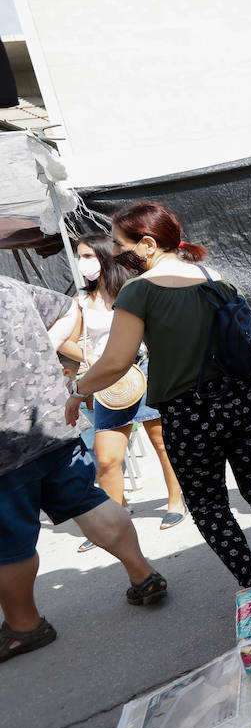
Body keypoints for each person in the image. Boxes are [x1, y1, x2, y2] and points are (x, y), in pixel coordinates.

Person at [68, 201, 251, 588]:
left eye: (119, 244)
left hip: (190, 414)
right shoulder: (215, 277)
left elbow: (116, 362)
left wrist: (77, 390)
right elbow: (248, 339)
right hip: (243, 401)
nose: (116, 254)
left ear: (147, 244)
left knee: (209, 507)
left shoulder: (138, 291)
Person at [3, 275, 167, 663]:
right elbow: (67, 308)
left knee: (7, 542)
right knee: (87, 500)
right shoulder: (7, 285)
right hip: (51, 422)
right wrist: (45, 351)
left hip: (5, 445)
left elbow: (67, 309)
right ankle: (143, 575)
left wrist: (45, 349)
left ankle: (24, 626)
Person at [56, 234, 186, 544]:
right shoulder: (80, 300)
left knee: (163, 444)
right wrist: (91, 357)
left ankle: (176, 501)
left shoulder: (134, 289)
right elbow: (67, 341)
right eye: (79, 256)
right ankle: (114, 516)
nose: (81, 262)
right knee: (106, 459)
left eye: (87, 255)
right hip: (106, 382)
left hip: (142, 371)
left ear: (104, 256)